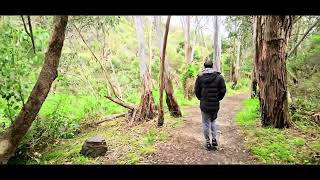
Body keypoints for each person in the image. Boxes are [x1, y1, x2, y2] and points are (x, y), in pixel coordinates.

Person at [194, 60, 226, 151]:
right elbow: (223, 90)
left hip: (204, 104)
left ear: (204, 66)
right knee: (213, 121)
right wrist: (218, 98)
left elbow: (197, 91)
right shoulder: (219, 77)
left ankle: (208, 142)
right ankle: (214, 139)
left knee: (205, 123)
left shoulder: (200, 77)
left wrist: (201, 98)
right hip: (215, 105)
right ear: (212, 66)